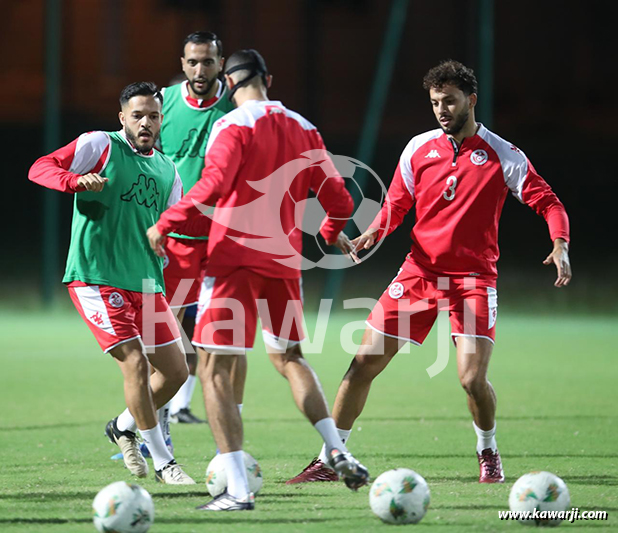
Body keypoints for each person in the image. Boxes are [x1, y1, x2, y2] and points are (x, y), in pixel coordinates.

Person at [286, 59, 572, 485]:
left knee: (472, 380)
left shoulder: (502, 154)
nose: (442, 110)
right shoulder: (419, 148)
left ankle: (487, 450)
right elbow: (398, 204)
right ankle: (332, 458)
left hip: (474, 280)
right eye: (436, 102)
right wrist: (371, 234)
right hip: (419, 272)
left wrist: (560, 244)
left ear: (471, 101)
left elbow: (547, 201)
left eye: (450, 101)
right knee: (362, 362)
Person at [147, 49, 370, 510]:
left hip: (233, 263)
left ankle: (239, 490)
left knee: (212, 370)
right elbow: (341, 200)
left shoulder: (231, 125)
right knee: (290, 357)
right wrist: (328, 235)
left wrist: (165, 222)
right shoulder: (304, 127)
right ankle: (336, 448)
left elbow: (212, 187)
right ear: (268, 78)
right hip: (284, 263)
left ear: (228, 84)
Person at [28, 82, 195, 485]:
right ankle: (164, 461)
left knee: (176, 372)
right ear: (122, 117)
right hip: (97, 278)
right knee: (135, 364)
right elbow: (40, 167)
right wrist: (73, 181)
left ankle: (123, 426)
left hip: (146, 283)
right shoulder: (100, 145)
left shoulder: (168, 170)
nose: (145, 122)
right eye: (137, 115)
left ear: (161, 120)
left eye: (153, 116)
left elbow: (174, 227)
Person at [159, 31, 246, 425]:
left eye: (208, 61)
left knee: (227, 335)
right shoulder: (163, 102)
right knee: (163, 336)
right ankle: (152, 426)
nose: (200, 69)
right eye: (193, 61)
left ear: (221, 63)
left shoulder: (235, 106)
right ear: (182, 63)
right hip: (173, 240)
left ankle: (229, 427)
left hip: (221, 240)